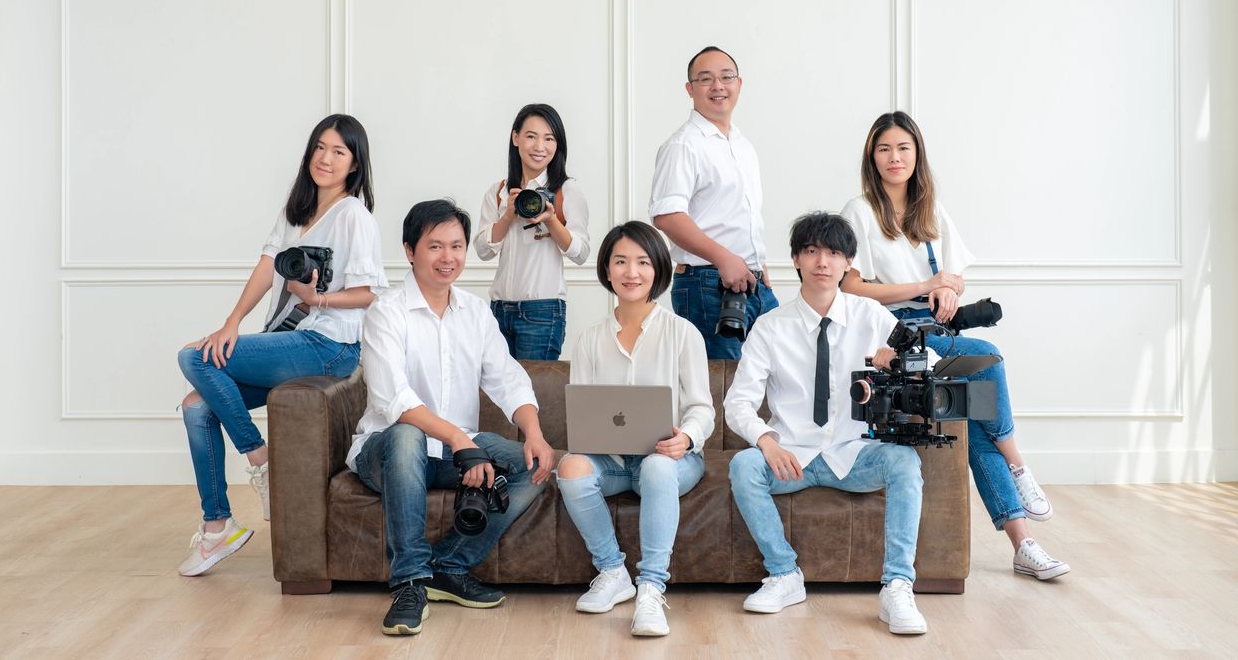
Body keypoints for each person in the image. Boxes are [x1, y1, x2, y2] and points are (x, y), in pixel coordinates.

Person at [840, 111, 1069, 581]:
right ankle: (1019, 466)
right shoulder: (859, 212)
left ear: (917, 154)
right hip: (894, 336)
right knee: (989, 359)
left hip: (937, 334)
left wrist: (948, 288)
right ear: (872, 157)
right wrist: (925, 285)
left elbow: (954, 276)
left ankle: (1023, 545)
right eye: (884, 149)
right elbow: (851, 286)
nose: (894, 157)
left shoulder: (931, 210)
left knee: (974, 423)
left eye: (903, 148)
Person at [176, 114, 386, 577]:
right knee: (196, 407)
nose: (325, 158)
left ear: (354, 164)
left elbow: (370, 293)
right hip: (289, 338)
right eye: (320, 147)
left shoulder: (353, 216)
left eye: (339, 152)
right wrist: (231, 324)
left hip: (330, 345)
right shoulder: (295, 210)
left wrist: (318, 298)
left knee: (192, 357)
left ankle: (259, 459)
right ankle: (217, 527)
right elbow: (265, 266)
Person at [348, 199, 556, 636]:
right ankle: (409, 582)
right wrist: (462, 441)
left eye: (457, 246)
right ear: (410, 251)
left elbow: (508, 379)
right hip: (386, 453)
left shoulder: (475, 312)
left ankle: (447, 565)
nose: (448, 258)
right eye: (435, 246)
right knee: (406, 434)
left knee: (535, 465)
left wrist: (534, 433)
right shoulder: (386, 312)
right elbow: (394, 400)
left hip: (451, 453)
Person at [726, 212, 929, 635]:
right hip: (792, 455)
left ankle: (897, 587)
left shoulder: (870, 314)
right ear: (796, 259)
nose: (823, 261)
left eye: (834, 253)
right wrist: (767, 441)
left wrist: (899, 361)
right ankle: (784, 574)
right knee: (743, 466)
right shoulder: (769, 327)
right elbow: (738, 403)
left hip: (854, 453)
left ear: (848, 263)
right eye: (812, 251)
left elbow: (930, 362)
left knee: (905, 462)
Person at [557, 221, 714, 638]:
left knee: (657, 467)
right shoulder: (589, 340)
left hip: (671, 460)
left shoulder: (683, 333)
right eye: (621, 262)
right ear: (607, 270)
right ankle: (613, 572)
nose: (632, 272)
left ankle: (651, 588)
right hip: (611, 461)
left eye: (643, 262)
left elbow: (702, 407)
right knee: (570, 466)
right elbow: (583, 411)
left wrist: (686, 437)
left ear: (658, 269)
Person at [649, 46, 777, 359]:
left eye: (726, 77)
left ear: (739, 84)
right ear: (690, 89)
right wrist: (724, 258)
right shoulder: (683, 145)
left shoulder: (742, 145)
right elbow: (667, 215)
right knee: (721, 380)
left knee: (767, 377)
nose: (718, 86)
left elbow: (739, 214)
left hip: (752, 280)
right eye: (706, 79)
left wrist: (757, 263)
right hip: (707, 283)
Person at [475, 103, 590, 360]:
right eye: (531, 136)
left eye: (549, 139)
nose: (540, 146)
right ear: (516, 138)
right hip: (498, 310)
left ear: (558, 145)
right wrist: (508, 214)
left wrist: (551, 220)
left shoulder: (566, 190)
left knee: (535, 385)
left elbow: (581, 253)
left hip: (542, 312)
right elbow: (483, 251)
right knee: (496, 385)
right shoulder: (499, 192)